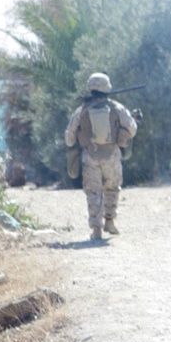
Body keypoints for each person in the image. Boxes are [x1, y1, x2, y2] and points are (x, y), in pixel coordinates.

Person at [65, 72, 138, 241]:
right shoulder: (117, 107)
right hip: (112, 155)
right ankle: (110, 221)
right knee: (112, 188)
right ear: (107, 88)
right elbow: (132, 130)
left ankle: (96, 230)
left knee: (93, 192)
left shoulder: (81, 110)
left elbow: (69, 139)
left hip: (90, 156)